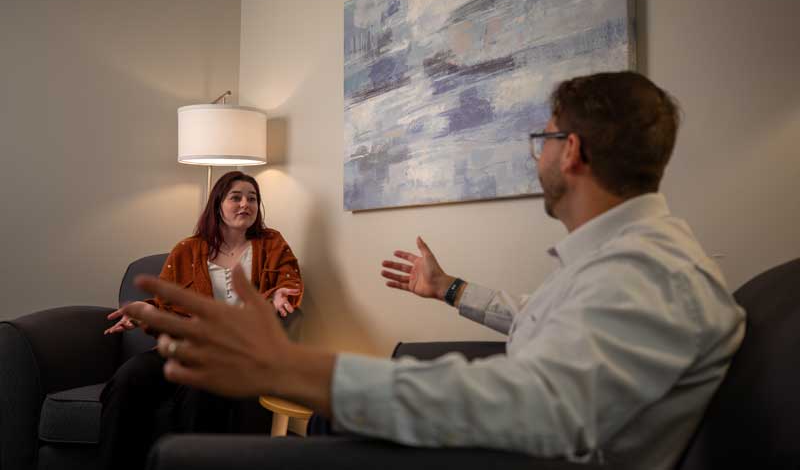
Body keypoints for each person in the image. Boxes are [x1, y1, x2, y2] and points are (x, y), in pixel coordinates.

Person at [123, 72, 745, 469]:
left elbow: (542, 409)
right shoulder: (622, 259)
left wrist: (298, 367)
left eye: (545, 140)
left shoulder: (653, 273)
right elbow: (545, 320)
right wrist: (450, 289)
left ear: (572, 152)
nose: (541, 156)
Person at [101, 170, 304, 470]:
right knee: (126, 378)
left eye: (252, 198)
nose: (245, 204)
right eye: (235, 197)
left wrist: (275, 297)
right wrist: (143, 312)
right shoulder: (187, 249)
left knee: (199, 391)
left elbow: (289, 283)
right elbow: (166, 303)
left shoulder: (271, 244)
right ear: (218, 203)